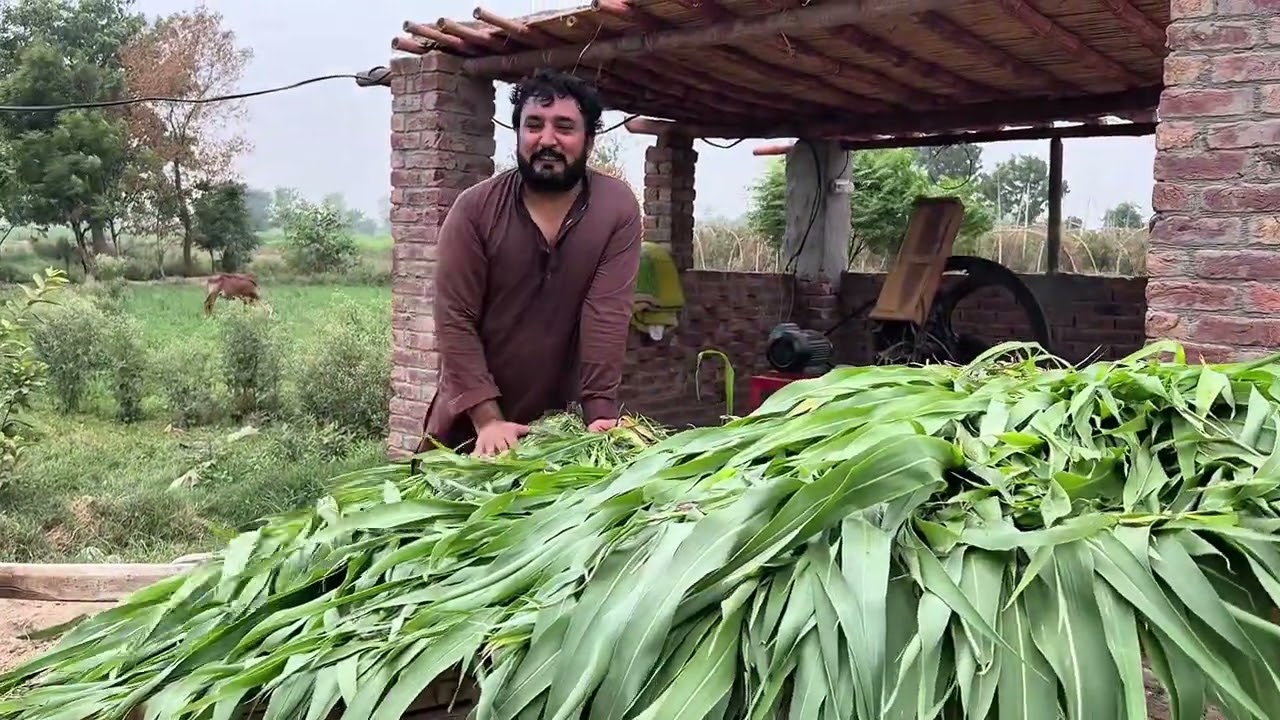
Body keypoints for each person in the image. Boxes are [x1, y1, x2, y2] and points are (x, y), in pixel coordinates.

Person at [414, 68, 643, 458]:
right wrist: (488, 419)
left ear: (589, 141)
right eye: (534, 125)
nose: (547, 140)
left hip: (559, 431)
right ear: (518, 134)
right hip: (470, 427)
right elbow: (454, 319)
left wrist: (599, 411)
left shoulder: (615, 208)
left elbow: (606, 313)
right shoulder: (475, 209)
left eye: (564, 127)